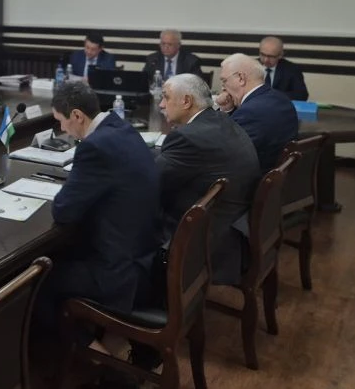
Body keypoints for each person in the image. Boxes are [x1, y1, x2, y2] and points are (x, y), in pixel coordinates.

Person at [41, 82, 160, 317]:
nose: (62, 129)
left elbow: (63, 210)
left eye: (61, 121)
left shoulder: (94, 147)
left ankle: (77, 339)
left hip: (118, 273)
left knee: (39, 280)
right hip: (145, 256)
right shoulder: (122, 127)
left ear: (77, 115)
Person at [157, 74, 260, 285]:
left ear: (186, 101)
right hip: (235, 225)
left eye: (165, 97)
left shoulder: (188, 138)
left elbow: (151, 182)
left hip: (207, 240)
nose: (161, 104)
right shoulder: (221, 120)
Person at [216, 53, 299, 172]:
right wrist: (226, 109)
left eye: (224, 81)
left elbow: (221, 149)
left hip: (255, 178)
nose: (223, 88)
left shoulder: (249, 113)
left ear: (241, 78)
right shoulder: (282, 99)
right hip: (280, 175)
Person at [259, 36, 309, 101]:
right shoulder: (250, 66)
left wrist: (273, 95)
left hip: (279, 105)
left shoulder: (292, 69)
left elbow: (302, 95)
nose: (266, 60)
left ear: (280, 55)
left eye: (271, 56)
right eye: (263, 54)